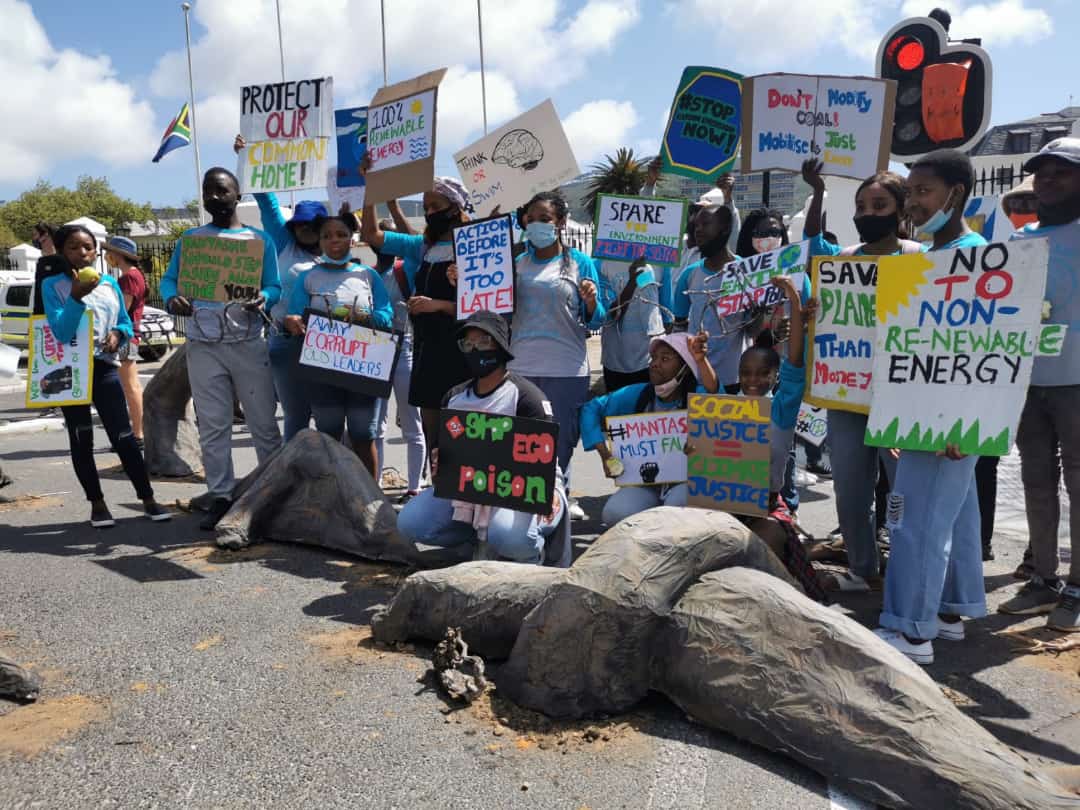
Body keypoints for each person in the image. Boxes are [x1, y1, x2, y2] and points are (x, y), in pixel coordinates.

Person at [874, 149, 987, 665]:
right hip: (928, 411)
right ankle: (948, 612)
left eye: (923, 192)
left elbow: (988, 352)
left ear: (955, 194)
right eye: (911, 192)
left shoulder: (978, 257)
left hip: (950, 420)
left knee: (916, 520)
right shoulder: (923, 258)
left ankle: (910, 632)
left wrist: (965, 421)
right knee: (954, 515)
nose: (912, 204)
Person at [801, 158, 922, 591]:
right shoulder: (843, 260)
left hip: (902, 396)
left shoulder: (919, 259)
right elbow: (812, 244)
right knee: (850, 489)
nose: (868, 215)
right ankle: (862, 567)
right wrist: (818, 313)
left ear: (901, 209)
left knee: (903, 491)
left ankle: (909, 571)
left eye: (879, 205)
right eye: (861, 207)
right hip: (847, 393)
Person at [160, 167, 282, 530]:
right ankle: (221, 496)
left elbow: (273, 285)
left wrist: (265, 296)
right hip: (203, 345)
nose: (213, 196)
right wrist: (171, 298)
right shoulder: (191, 241)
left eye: (221, 190)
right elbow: (169, 280)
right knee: (213, 426)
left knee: (262, 423)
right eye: (207, 190)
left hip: (247, 342)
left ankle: (269, 496)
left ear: (237, 195)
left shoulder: (259, 242)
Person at [396, 311, 567, 564]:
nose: (475, 349)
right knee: (409, 522)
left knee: (510, 537)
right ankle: (474, 539)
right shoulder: (454, 397)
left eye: (484, 341)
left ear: (500, 345)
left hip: (530, 490)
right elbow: (444, 454)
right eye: (468, 344)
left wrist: (549, 493)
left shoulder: (527, 397)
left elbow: (544, 459)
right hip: (471, 491)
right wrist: (439, 460)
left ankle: (533, 554)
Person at [997, 138, 1080, 632]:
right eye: (1041, 173)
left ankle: (1078, 587)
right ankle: (1043, 580)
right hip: (1028, 382)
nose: (1047, 181)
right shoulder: (1019, 242)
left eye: (1061, 172)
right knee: (1036, 482)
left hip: (1077, 381)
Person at [35, 225, 169, 527]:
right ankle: (97, 504)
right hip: (68, 372)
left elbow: (124, 321)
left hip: (104, 368)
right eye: (73, 247)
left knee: (124, 436)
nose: (83, 253)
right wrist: (76, 297)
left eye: (88, 247)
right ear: (61, 251)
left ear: (96, 251)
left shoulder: (109, 284)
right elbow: (61, 331)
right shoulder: (53, 286)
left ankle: (147, 499)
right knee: (82, 438)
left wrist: (118, 335)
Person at [509, 190, 610, 520]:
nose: (536, 225)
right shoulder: (515, 264)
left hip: (567, 369)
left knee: (560, 444)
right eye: (531, 219)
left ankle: (557, 506)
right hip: (520, 366)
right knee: (523, 444)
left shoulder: (581, 263)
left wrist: (592, 300)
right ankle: (525, 511)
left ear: (561, 223)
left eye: (545, 219)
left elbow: (597, 319)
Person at [361, 170, 472, 466]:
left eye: (436, 206)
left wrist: (438, 305)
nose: (430, 213)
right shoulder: (424, 248)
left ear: (456, 206)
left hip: (466, 354)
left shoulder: (476, 245)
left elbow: (489, 309)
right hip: (429, 352)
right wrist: (372, 188)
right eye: (426, 208)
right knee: (433, 435)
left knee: (466, 435)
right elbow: (371, 235)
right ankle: (438, 494)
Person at [234, 130, 326, 442]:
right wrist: (248, 159)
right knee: (295, 419)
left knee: (329, 419)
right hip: (285, 343)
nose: (304, 229)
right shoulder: (284, 243)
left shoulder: (336, 253)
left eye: (312, 225)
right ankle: (294, 482)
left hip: (329, 346)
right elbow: (268, 205)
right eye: (299, 224)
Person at [284, 214, 393, 476]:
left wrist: (362, 316)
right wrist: (292, 321)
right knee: (328, 436)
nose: (334, 240)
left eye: (341, 234)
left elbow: (386, 315)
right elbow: (295, 314)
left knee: (363, 436)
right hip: (323, 371)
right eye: (327, 235)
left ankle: (369, 500)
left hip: (363, 368)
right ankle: (332, 497)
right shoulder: (307, 278)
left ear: (352, 238)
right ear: (319, 241)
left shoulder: (368, 276)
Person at [581, 331, 716, 525]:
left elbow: (716, 394)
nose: (654, 364)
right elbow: (591, 409)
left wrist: (701, 361)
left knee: (675, 509)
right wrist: (605, 455)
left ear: (685, 369)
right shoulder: (639, 394)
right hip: (646, 484)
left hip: (686, 483)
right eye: (653, 358)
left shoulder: (700, 397)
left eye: (665, 359)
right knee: (614, 513)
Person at [372, 219, 426, 502]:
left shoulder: (406, 271)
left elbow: (421, 245)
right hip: (374, 351)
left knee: (412, 423)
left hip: (404, 348)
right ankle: (375, 484)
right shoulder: (367, 274)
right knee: (375, 424)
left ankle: (414, 486)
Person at [671, 203, 749, 389]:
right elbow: (679, 328)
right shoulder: (688, 275)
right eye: (696, 226)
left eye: (705, 224)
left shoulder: (747, 271)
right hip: (695, 379)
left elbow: (753, 330)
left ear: (724, 228)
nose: (698, 231)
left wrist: (759, 310)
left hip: (733, 380)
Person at [599, 255, 671, 392]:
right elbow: (610, 316)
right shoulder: (602, 263)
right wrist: (632, 282)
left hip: (650, 360)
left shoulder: (661, 263)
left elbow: (665, 313)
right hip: (616, 360)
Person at [103, 236, 147, 447]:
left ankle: (138, 435)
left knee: (130, 387)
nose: (107, 256)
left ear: (119, 255)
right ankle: (137, 432)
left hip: (125, 336)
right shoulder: (134, 275)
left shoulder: (128, 278)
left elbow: (123, 309)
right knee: (130, 386)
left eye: (110, 252)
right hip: (130, 335)